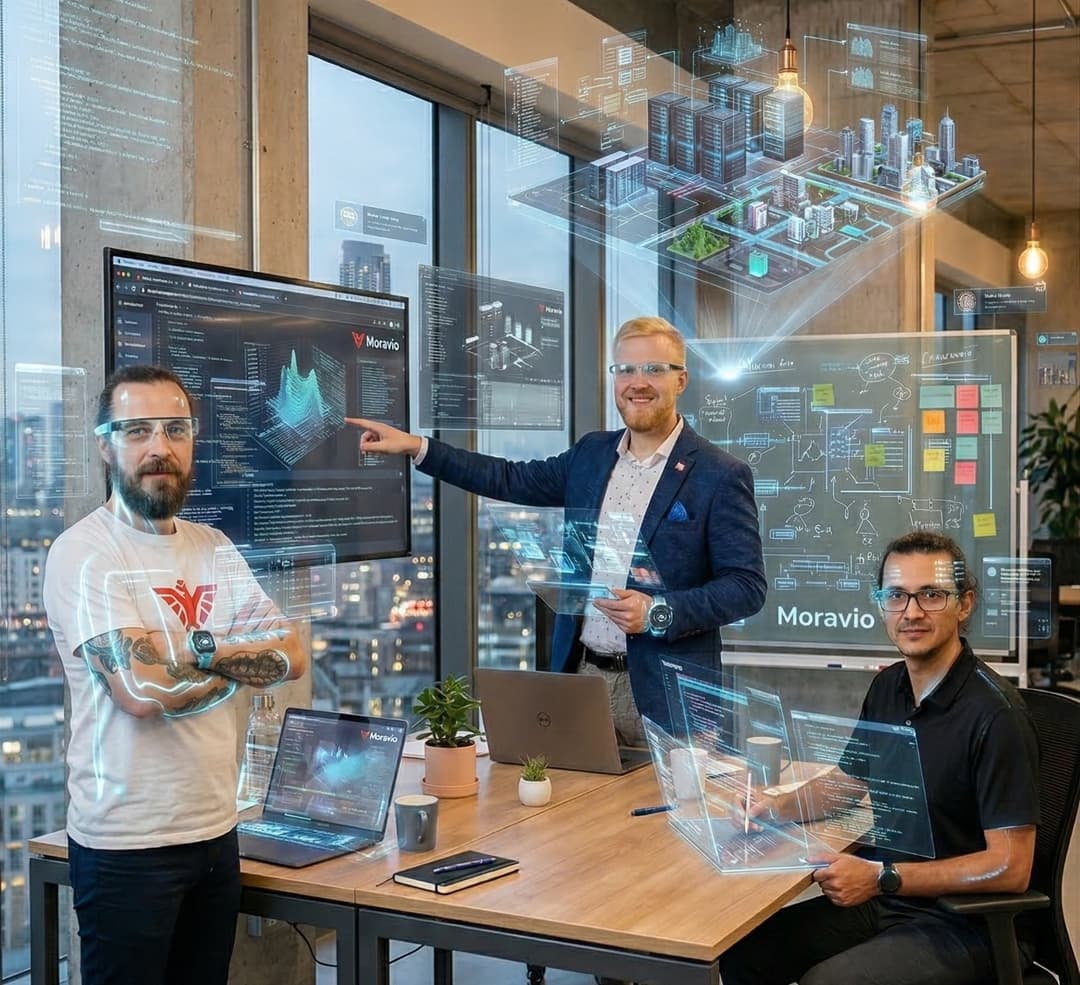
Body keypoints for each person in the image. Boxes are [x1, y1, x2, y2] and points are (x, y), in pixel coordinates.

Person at [348, 316, 766, 742]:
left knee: (666, 809)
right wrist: (418, 447)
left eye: (654, 369)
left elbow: (746, 586)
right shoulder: (591, 454)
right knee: (572, 809)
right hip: (580, 681)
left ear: (681, 380)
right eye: (625, 370)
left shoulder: (719, 474)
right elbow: (508, 478)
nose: (637, 382)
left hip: (669, 695)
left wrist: (658, 612)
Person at [43, 365, 308, 985]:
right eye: (137, 430)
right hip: (126, 846)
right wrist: (239, 662)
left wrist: (191, 647)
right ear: (105, 445)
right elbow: (141, 690)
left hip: (216, 831)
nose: (159, 447)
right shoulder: (84, 552)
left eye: (175, 429)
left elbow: (292, 655)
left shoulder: (212, 545)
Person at [719, 531, 1040, 985]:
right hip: (891, 900)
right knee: (744, 952)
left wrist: (884, 876)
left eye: (931, 594)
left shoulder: (996, 716)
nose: (911, 612)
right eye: (896, 595)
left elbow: (1011, 867)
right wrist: (773, 808)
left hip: (967, 923)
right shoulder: (889, 687)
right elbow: (849, 781)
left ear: (964, 605)